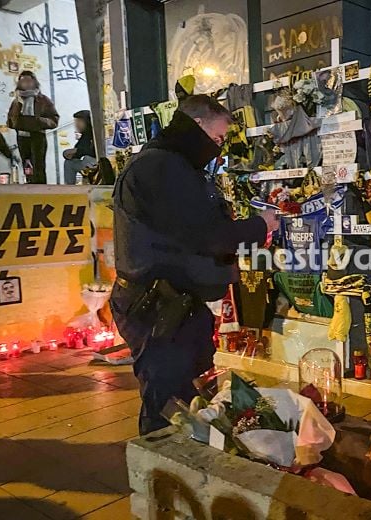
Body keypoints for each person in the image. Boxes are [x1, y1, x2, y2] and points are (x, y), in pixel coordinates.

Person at [110, 94, 280, 435]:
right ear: (197, 124)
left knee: (188, 399)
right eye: (217, 138)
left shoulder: (170, 165)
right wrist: (260, 225)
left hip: (172, 304)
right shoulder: (162, 168)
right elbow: (206, 235)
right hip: (159, 308)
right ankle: (163, 461)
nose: (218, 148)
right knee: (169, 405)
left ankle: (185, 457)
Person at [7, 70, 59, 184]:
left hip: (38, 136)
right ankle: (29, 186)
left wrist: (37, 121)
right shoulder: (16, 101)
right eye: (23, 81)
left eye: (29, 81)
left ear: (35, 82)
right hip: (22, 136)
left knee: (38, 167)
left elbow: (54, 120)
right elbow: (10, 121)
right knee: (27, 166)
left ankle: (41, 189)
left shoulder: (43, 100)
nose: (26, 83)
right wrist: (18, 106)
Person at [63, 110, 96, 184]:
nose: (77, 125)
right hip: (88, 165)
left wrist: (77, 151)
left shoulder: (94, 133)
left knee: (87, 158)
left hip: (97, 164)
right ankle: (69, 187)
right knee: (69, 163)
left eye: (79, 122)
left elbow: (93, 152)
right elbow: (78, 153)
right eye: (76, 122)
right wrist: (68, 154)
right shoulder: (84, 136)